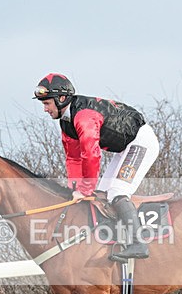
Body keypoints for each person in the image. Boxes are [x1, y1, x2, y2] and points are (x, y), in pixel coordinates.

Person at [33, 72, 159, 262]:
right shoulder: (66, 123)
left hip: (141, 142)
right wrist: (74, 190)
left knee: (117, 191)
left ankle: (137, 243)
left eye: (47, 103)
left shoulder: (83, 117)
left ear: (61, 98)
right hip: (125, 148)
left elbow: (91, 155)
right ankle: (116, 238)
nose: (45, 109)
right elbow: (74, 159)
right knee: (100, 194)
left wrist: (84, 189)